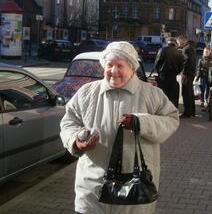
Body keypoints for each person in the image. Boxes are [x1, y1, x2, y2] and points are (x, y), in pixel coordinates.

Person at [60, 41, 179, 214]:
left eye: (120, 65)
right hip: (92, 189)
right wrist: (76, 141)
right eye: (110, 65)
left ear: (132, 68)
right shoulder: (87, 93)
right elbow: (69, 121)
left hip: (135, 191)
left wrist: (141, 123)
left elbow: (172, 119)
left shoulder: (152, 94)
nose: (113, 71)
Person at [154, 37, 184, 108]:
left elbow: (156, 63)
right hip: (173, 77)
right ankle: (171, 110)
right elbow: (181, 66)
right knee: (172, 96)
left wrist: (159, 72)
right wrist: (176, 72)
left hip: (163, 76)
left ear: (167, 42)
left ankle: (161, 110)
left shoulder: (162, 50)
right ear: (175, 43)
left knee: (162, 95)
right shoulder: (179, 52)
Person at [177, 34, 196, 118]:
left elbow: (187, 62)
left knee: (186, 93)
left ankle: (187, 112)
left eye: (178, 42)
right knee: (190, 93)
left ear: (182, 40)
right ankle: (192, 111)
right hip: (191, 73)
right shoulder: (191, 47)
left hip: (187, 74)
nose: (178, 44)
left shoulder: (186, 49)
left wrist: (184, 73)